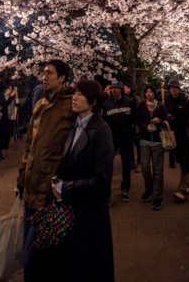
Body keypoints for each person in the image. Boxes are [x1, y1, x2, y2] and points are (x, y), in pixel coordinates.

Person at [16, 59, 74, 282]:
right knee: (28, 250)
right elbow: (29, 145)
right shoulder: (39, 104)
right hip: (30, 183)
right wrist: (21, 176)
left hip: (50, 189)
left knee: (37, 254)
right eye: (43, 73)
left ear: (62, 78)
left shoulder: (71, 105)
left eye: (50, 73)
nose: (44, 76)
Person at [51, 79, 114, 282]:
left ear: (93, 101)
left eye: (80, 94)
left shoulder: (102, 131)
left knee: (87, 268)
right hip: (70, 212)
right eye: (74, 93)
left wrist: (65, 188)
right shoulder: (73, 126)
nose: (74, 97)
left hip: (90, 216)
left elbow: (102, 182)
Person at [136, 85, 168, 210]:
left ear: (155, 93)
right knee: (144, 166)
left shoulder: (160, 106)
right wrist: (145, 127)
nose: (149, 94)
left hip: (158, 141)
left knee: (158, 170)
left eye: (151, 92)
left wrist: (159, 120)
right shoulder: (141, 105)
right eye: (147, 92)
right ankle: (149, 188)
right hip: (144, 140)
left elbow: (166, 120)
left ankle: (157, 197)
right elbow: (138, 120)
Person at [102, 80, 135, 202]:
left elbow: (133, 118)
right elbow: (103, 121)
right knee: (108, 165)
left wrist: (132, 132)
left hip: (126, 137)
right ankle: (107, 193)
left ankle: (125, 189)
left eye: (117, 88)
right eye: (113, 88)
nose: (114, 90)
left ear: (121, 89)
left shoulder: (129, 102)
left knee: (126, 165)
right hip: (112, 138)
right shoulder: (106, 104)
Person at [164, 79, 189, 202]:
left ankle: (181, 189)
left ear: (179, 89)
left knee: (185, 159)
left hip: (184, 135)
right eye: (171, 87)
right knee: (180, 160)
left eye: (176, 87)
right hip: (172, 134)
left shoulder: (186, 102)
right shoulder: (167, 101)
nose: (173, 89)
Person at [0, 84, 18, 160]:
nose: (10, 90)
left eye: (11, 89)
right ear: (5, 90)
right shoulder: (2, 96)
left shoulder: (12, 97)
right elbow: (5, 104)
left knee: (6, 137)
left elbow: (17, 105)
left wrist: (16, 96)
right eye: (8, 89)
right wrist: (12, 96)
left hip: (9, 119)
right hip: (2, 119)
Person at [124, 83, 141, 172]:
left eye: (125, 87)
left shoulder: (135, 98)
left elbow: (139, 110)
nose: (123, 89)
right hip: (127, 124)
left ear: (129, 88)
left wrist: (137, 123)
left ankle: (139, 162)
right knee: (129, 144)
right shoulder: (123, 98)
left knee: (138, 144)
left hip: (135, 123)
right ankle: (132, 161)